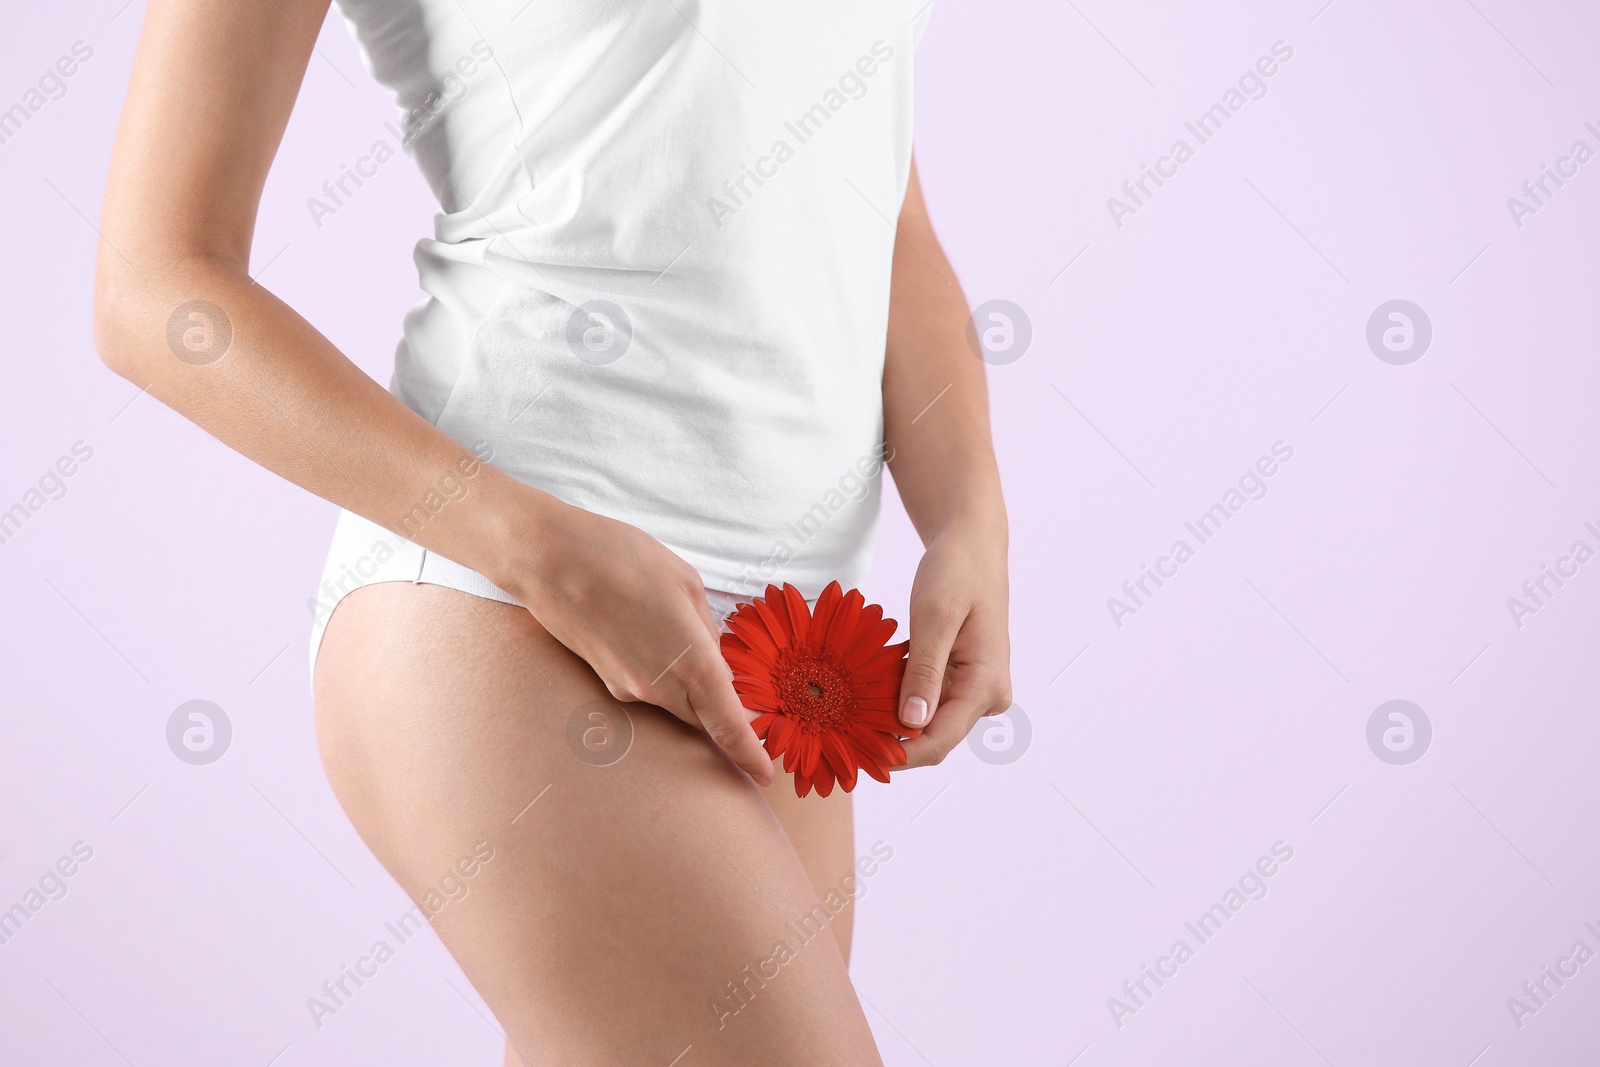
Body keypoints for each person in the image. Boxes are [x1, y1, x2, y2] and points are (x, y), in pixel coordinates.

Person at [94, 1, 1011, 1062]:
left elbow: (883, 210)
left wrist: (967, 515)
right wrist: (537, 545)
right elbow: (154, 284)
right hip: (511, 590)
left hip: (785, 639)